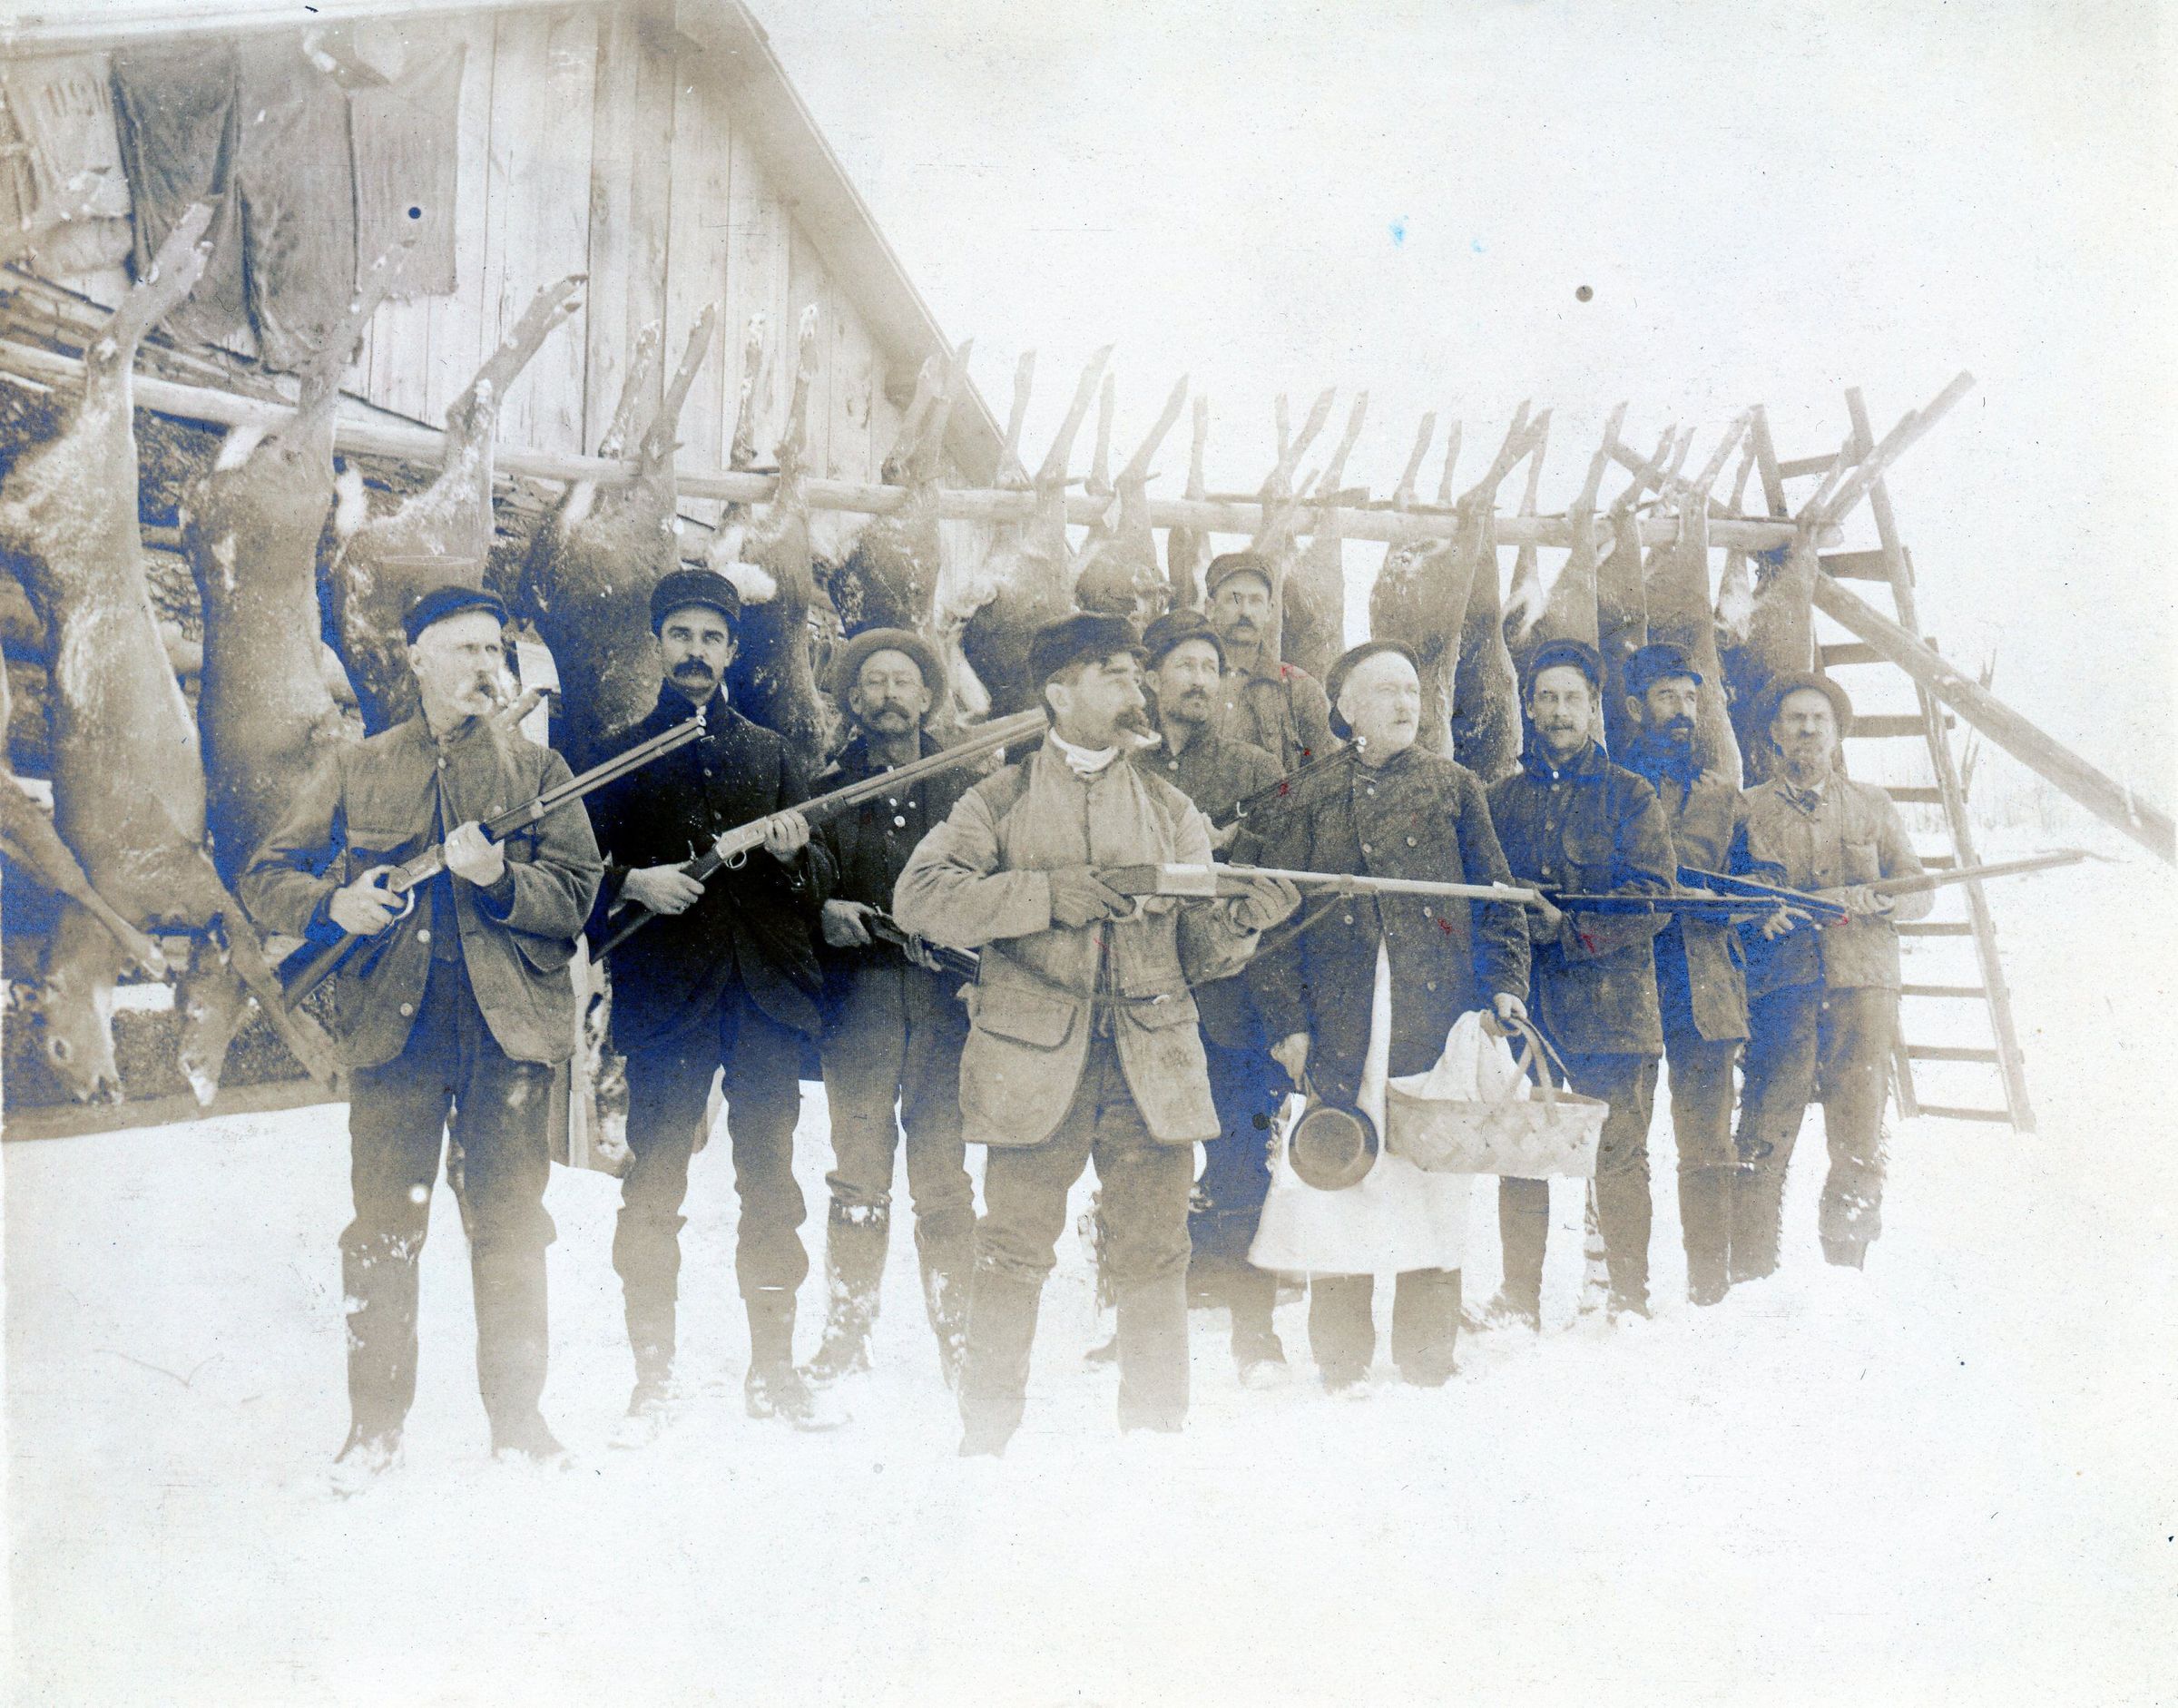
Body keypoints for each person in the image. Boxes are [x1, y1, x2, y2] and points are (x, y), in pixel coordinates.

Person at [893, 612, 1300, 1456]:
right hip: (1033, 1065)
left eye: (1134, 672)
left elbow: (1199, 952)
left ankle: (1155, 1442)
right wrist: (1047, 896)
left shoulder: (1170, 807)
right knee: (1010, 1253)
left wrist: (1243, 923)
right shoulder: (997, 798)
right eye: (1113, 673)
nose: (1134, 687)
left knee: (1156, 1255)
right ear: (1058, 691)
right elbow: (920, 899)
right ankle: (984, 1446)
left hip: (1152, 1064)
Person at [240, 583, 603, 1488]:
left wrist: (498, 881)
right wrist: (334, 904)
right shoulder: (357, 765)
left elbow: (574, 897)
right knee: (382, 1234)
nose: (485, 665)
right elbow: (265, 875)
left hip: (505, 1038)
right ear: (417, 659)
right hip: (393, 1039)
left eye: (495, 651)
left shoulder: (540, 773)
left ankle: (519, 1424)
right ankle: (373, 1431)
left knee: (512, 1230)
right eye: (465, 648)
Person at [584, 567, 838, 1438]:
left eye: (712, 638)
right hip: (667, 1003)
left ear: (731, 650)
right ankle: (652, 1383)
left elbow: (821, 878)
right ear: (658, 643)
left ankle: (775, 1373)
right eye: (682, 635)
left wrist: (796, 854)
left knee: (771, 1188)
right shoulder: (617, 753)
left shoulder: (772, 752)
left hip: (762, 1002)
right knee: (653, 1187)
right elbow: (571, 872)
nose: (696, 653)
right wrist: (633, 883)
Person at [1246, 641, 1530, 1391]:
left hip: (1431, 1019)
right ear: (1346, 708)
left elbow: (1497, 901)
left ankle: (1428, 1358)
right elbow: (1274, 923)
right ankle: (1340, 1362)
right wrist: (1288, 1021)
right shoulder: (1307, 794)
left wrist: (1505, 987)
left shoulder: (1454, 787)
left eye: (1412, 689)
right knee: (1340, 1172)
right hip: (1339, 1020)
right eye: (1385, 691)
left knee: (1430, 1182)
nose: (1406, 703)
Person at [804, 627, 979, 1388]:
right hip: (863, 1000)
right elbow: (802, 880)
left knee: (943, 1174)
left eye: (902, 681)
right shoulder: (825, 788)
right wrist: (823, 910)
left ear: (926, 696)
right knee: (859, 1171)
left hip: (944, 1000)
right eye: (873, 682)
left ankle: (960, 1338)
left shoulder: (966, 787)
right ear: (853, 698)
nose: (888, 695)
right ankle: (847, 1335)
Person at [1486, 640, 1676, 1324]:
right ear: (1529, 708)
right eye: (1547, 698)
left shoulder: (1631, 795)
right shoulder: (1501, 801)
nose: (1559, 712)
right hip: (1528, 1007)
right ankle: (1519, 1302)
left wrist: (1566, 928)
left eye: (1573, 698)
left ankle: (1628, 1300)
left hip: (1613, 1008)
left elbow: (1654, 898)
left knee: (1619, 1156)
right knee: (1521, 1155)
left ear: (1595, 707)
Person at [1132, 607, 1289, 1380]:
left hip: (1234, 1006)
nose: (1198, 680)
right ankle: (1134, 1332)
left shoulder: (1258, 772)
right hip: (1144, 1000)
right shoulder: (1123, 766)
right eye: (1184, 666)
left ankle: (1255, 1334)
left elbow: (1276, 891)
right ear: (1151, 678)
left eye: (1210, 668)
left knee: (1241, 1166)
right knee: (1140, 1171)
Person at [1733, 672, 1929, 1276]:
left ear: (1838, 733)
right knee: (1764, 1128)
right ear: (1775, 733)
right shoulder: (1747, 809)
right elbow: (1728, 900)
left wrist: (1886, 899)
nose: (1808, 730)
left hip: (1862, 987)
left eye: (1820, 720)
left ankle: (1847, 1268)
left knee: (1859, 1133)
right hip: (1781, 987)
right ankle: (1752, 1271)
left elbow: (1921, 890)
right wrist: (1757, 913)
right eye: (1796, 719)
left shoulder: (1874, 805)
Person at [1620, 643, 1786, 1306]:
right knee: (1620, 1143)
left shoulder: (1724, 797)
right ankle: (1622, 1291)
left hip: (1706, 987)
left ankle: (1708, 1288)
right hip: (1627, 983)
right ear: (1636, 707)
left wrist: (1732, 900)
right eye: (1667, 697)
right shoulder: (1611, 788)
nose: (1683, 711)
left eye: (1692, 698)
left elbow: (1764, 879)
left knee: (1709, 1144)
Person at [1202, 551, 1337, 772]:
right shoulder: (1189, 680)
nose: (1245, 611)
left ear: (1269, 610)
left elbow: (1328, 776)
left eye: (1256, 601)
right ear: (1210, 608)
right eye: (1234, 599)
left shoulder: (1300, 689)